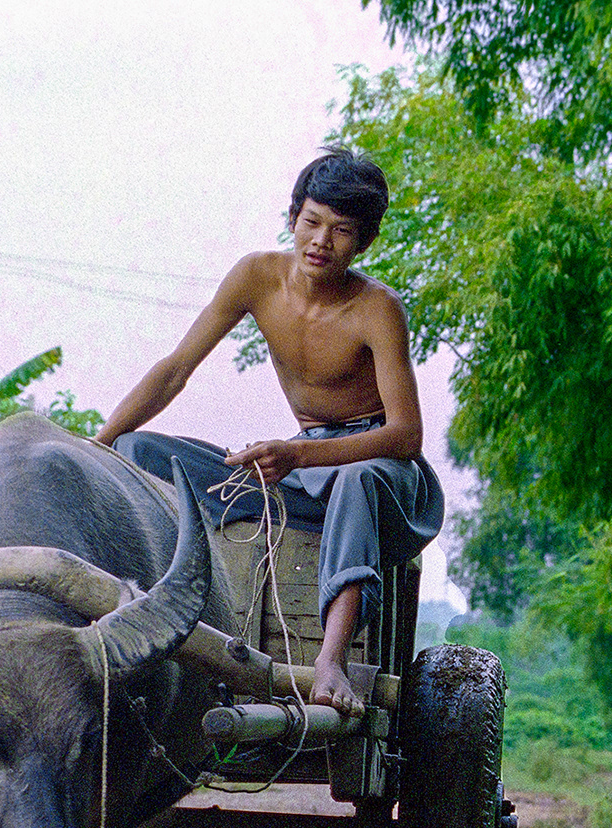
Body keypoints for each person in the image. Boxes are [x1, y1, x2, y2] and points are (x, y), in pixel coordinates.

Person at [99, 146, 443, 716]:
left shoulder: (377, 308)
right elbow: (176, 369)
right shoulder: (256, 276)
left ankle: (329, 662)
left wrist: (299, 457)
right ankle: (131, 619)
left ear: (363, 242)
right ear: (293, 218)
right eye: (312, 222)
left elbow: (407, 436)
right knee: (139, 450)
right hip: (302, 474)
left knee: (356, 481)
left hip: (384, 475)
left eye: (341, 230)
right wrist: (102, 442)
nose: (321, 241)